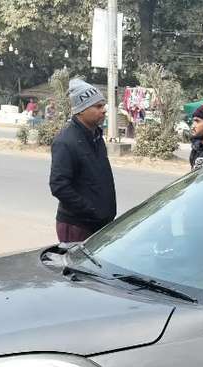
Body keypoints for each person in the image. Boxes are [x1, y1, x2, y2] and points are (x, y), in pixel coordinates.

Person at [48, 79, 117, 245]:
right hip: (78, 226)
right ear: (81, 110)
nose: (104, 110)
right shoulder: (66, 141)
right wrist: (91, 211)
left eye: (103, 105)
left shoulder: (96, 137)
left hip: (99, 224)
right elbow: (59, 186)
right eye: (98, 106)